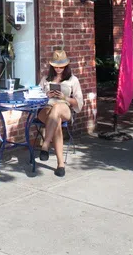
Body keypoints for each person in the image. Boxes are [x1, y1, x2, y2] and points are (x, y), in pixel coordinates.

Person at [37, 49, 83, 177]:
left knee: (57, 107)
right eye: (56, 67)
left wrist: (64, 97)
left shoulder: (73, 80)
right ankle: (60, 164)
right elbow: (36, 97)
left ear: (66, 65)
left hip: (64, 108)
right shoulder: (46, 79)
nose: (59, 69)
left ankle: (45, 144)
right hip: (46, 108)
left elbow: (79, 102)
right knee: (55, 120)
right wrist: (46, 95)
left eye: (61, 66)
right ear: (52, 66)